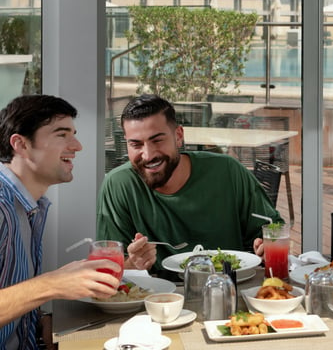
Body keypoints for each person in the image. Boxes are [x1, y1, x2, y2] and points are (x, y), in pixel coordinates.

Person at [96, 94, 283, 275]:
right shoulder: (118, 185)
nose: (148, 155)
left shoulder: (227, 171)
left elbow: (273, 230)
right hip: (156, 300)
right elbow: (109, 270)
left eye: (157, 140)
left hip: (228, 290)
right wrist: (133, 264)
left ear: (178, 136)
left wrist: (268, 246)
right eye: (136, 144)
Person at [0, 95, 120, 348]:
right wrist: (51, 284)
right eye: (61, 134)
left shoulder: (31, 205)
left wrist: (39, 319)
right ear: (20, 144)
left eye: (73, 134)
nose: (77, 146)